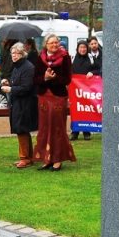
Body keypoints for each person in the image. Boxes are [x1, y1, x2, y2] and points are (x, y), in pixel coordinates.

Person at [33, 34, 75, 171]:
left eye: (56, 42)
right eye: (51, 43)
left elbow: (67, 79)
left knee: (57, 127)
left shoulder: (65, 57)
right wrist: (45, 78)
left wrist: (54, 78)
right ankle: (46, 159)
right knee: (44, 127)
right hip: (43, 96)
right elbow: (35, 78)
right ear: (46, 44)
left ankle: (57, 159)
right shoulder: (40, 57)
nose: (54, 45)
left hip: (58, 96)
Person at [0, 42, 38, 169]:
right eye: (12, 53)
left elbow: (26, 87)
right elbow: (17, 83)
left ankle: (24, 158)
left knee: (21, 129)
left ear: (22, 54)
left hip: (25, 103)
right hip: (18, 102)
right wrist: (8, 83)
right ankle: (28, 157)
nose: (14, 55)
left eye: (17, 53)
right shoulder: (17, 66)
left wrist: (10, 89)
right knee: (22, 130)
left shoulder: (28, 67)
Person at [70, 40, 100, 141]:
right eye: (81, 48)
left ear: (87, 49)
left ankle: (86, 132)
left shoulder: (91, 58)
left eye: (84, 48)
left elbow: (99, 69)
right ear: (77, 49)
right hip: (75, 90)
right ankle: (75, 132)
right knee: (76, 110)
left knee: (85, 110)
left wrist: (92, 72)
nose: (82, 49)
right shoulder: (73, 58)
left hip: (87, 90)